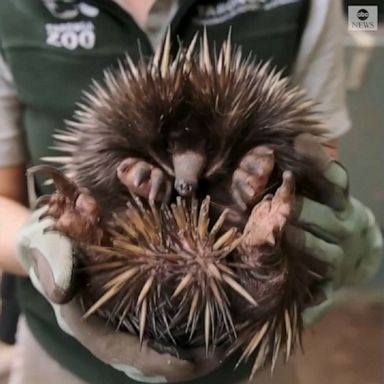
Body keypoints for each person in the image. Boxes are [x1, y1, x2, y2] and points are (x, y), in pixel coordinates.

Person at [0, 0, 382, 383]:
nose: (186, 177)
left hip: (242, 351)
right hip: (71, 347)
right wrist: (32, 244)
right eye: (172, 152)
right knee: (106, 233)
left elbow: (316, 162)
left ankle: (260, 250)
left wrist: (334, 222)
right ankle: (100, 241)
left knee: (271, 263)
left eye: (200, 152)